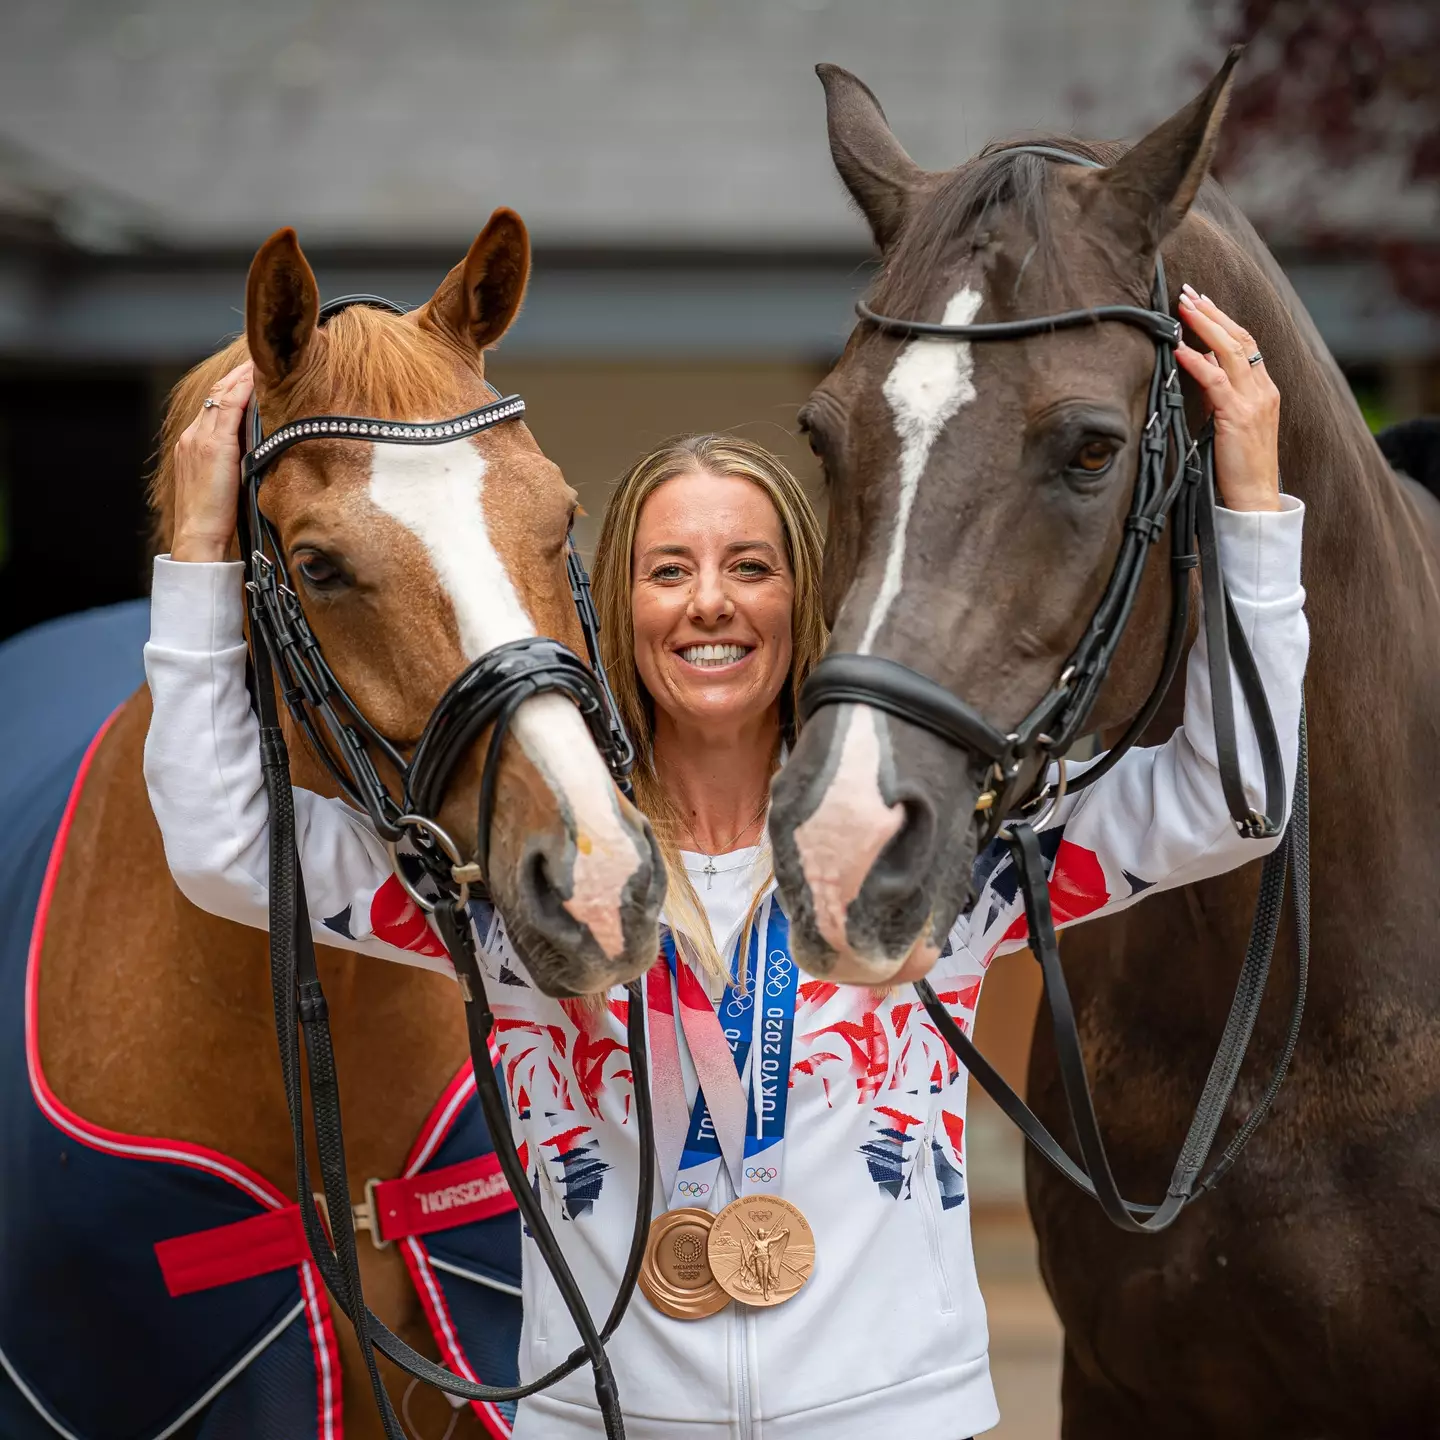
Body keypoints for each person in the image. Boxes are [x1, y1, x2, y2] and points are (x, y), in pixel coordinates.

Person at [144, 289, 1306, 1438]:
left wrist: (1253, 505)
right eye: (668, 571)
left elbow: (1234, 796)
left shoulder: (935, 855)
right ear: (615, 605)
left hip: (892, 1420)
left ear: (804, 598)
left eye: (750, 565)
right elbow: (224, 841)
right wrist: (200, 554)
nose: (710, 601)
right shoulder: (506, 892)